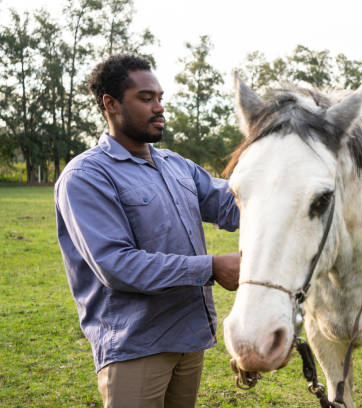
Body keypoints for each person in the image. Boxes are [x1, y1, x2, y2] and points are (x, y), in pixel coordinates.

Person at [54, 54, 240, 408]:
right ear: (110, 104)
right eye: (146, 98)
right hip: (136, 347)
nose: (159, 108)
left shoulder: (176, 165)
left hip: (190, 340)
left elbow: (233, 205)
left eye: (160, 97)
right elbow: (117, 265)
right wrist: (211, 267)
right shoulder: (87, 177)